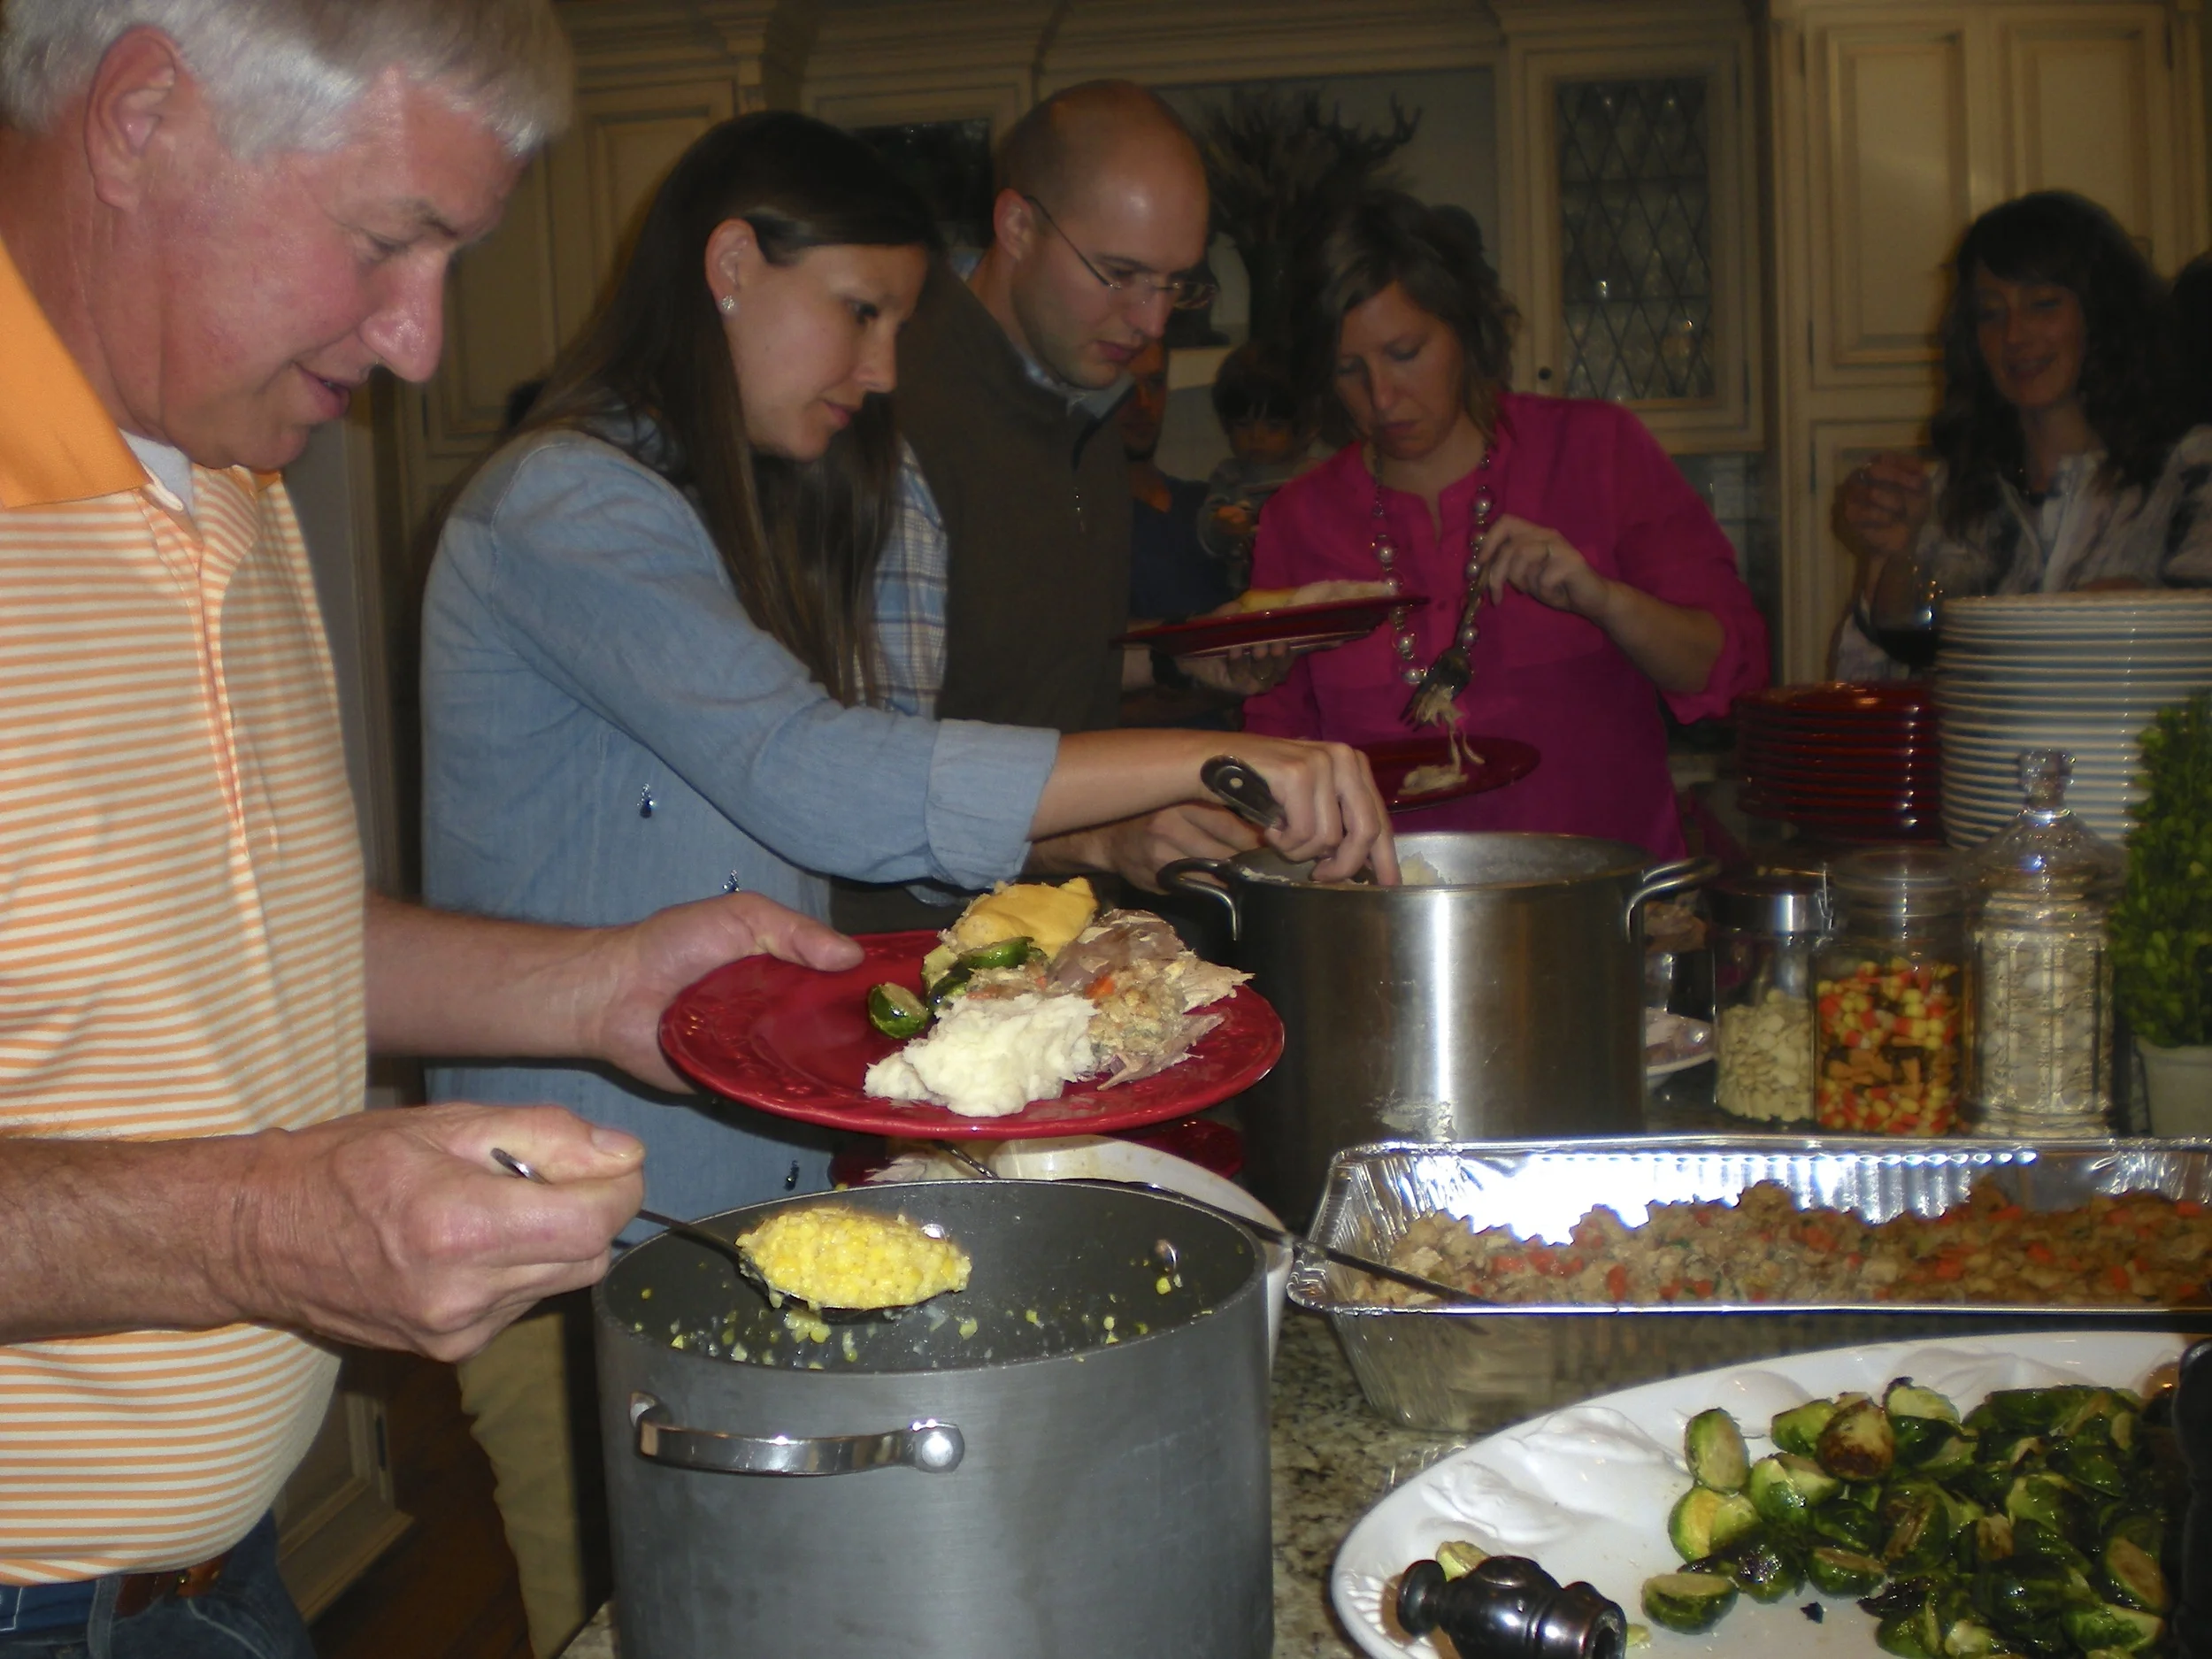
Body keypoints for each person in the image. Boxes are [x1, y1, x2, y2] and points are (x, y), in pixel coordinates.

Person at [417, 111, 1394, 1647]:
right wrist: (1192, 761)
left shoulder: (719, 505)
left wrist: (1094, 839)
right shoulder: (566, 506)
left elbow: (812, 796)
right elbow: (821, 776)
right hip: (577, 1236)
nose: (881, 370)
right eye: (861, 314)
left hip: (746, 1208)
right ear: (732, 267)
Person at [0, 3, 863, 1655]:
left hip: (212, 1578)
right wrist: (256, 1227)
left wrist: (603, 991)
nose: (419, 341)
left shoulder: (220, 477)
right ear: (140, 119)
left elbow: (253, 933)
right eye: (390, 242)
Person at [838, 79, 1271, 929]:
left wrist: (1189, 656)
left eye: (1176, 285)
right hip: (908, 976)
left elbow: (1022, 667)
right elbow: (873, 789)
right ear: (1017, 225)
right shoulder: (890, 412)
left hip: (1054, 945)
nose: (1150, 320)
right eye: (1119, 274)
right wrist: (1101, 834)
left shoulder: (1086, 401)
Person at [1242, 189, 1769, 859]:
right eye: (1349, 371)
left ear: (1465, 327)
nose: (1381, 398)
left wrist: (1605, 601)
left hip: (1605, 904)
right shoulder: (1299, 519)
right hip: (1396, 913)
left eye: (1405, 352)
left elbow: (1726, 668)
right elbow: (1276, 748)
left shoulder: (1598, 451)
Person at [1833, 191, 2212, 678]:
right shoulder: (1950, 498)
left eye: (2043, 305)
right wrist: (1887, 560)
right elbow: (1868, 698)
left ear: (2102, 315)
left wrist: (2133, 614)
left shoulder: (2191, 471)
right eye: (1991, 312)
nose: (2014, 335)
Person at [1122, 338, 1227, 620]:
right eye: (1124, 387)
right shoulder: (1080, 518)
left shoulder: (1209, 505)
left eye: (1155, 383)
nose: (1142, 403)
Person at [1199, 339, 1313, 583]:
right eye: (1243, 425)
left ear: (1302, 427)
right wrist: (1222, 527)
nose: (1257, 436)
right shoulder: (1229, 477)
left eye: (1273, 426)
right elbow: (1209, 537)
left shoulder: (1313, 476)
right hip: (1246, 596)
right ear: (1225, 425)